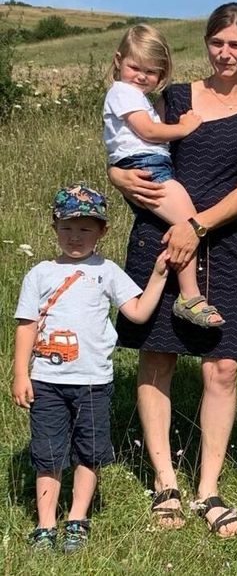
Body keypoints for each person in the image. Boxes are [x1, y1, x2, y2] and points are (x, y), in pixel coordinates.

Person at [108, 3, 237, 538]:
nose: (225, 53)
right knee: (157, 356)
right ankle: (166, 483)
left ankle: (208, 487)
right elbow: (134, 149)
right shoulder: (176, 96)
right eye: (216, 42)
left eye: (236, 44)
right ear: (206, 44)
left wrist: (197, 227)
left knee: (222, 367)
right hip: (159, 238)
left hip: (223, 243)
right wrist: (117, 179)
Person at [11, 184, 168, 552]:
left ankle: (77, 520)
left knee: (91, 451)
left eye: (85, 229)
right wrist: (21, 373)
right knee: (48, 453)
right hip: (46, 382)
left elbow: (139, 312)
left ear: (102, 231)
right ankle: (46, 525)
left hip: (95, 383)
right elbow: (27, 325)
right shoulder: (40, 273)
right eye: (67, 227)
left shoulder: (108, 271)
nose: (75, 237)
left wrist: (160, 275)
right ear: (54, 227)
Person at [103, 24, 224, 328]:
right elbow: (148, 131)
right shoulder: (123, 92)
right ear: (118, 60)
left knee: (184, 224)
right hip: (147, 167)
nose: (141, 76)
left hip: (149, 166)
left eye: (151, 71)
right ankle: (189, 296)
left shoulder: (135, 95)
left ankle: (186, 292)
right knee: (189, 224)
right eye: (134, 67)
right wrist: (185, 127)